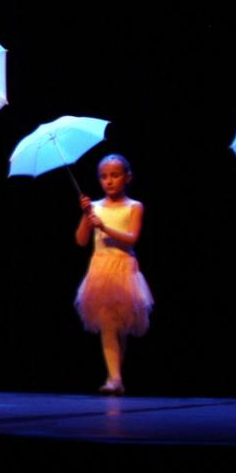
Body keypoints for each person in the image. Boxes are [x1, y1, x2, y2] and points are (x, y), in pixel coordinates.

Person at [74, 154, 152, 395]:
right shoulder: (94, 208)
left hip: (124, 269)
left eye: (115, 175)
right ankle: (115, 378)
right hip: (100, 270)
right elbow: (81, 240)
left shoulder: (134, 207)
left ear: (127, 178)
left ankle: (115, 376)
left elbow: (132, 238)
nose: (109, 181)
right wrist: (87, 218)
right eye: (104, 176)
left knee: (121, 328)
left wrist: (105, 227)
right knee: (108, 324)